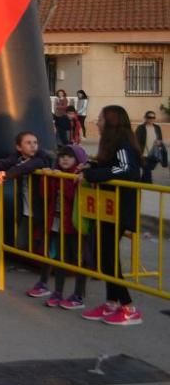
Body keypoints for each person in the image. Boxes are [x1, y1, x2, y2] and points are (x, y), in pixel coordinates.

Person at [77, 105, 143, 326]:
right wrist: (92, 164)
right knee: (104, 256)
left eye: (101, 118)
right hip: (106, 207)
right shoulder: (113, 144)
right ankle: (111, 303)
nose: (97, 122)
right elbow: (112, 165)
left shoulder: (124, 143)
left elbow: (127, 169)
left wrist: (91, 174)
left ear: (112, 121)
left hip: (120, 207)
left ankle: (128, 307)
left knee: (109, 258)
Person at [0, 130, 51, 295]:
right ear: (19, 147)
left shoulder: (42, 158)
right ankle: (36, 266)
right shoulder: (16, 158)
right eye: (28, 143)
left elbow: (28, 167)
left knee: (47, 246)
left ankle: (45, 277)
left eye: (35, 142)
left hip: (42, 209)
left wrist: (7, 175)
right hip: (25, 210)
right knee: (21, 243)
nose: (33, 146)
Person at [42, 145, 92, 310]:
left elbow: (73, 197)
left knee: (80, 260)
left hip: (76, 226)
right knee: (61, 259)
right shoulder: (56, 173)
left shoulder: (79, 177)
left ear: (78, 160)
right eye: (62, 156)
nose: (64, 159)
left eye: (69, 157)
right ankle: (58, 292)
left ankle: (78, 295)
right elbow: (45, 194)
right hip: (60, 225)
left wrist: (62, 180)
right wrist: (49, 177)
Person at [134, 110, 165, 184]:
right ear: (145, 118)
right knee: (148, 173)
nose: (151, 119)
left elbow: (160, 139)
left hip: (153, 155)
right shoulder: (141, 128)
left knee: (146, 173)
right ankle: (149, 190)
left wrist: (159, 142)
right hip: (144, 155)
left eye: (153, 117)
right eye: (149, 117)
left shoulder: (157, 127)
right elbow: (135, 141)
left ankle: (140, 187)